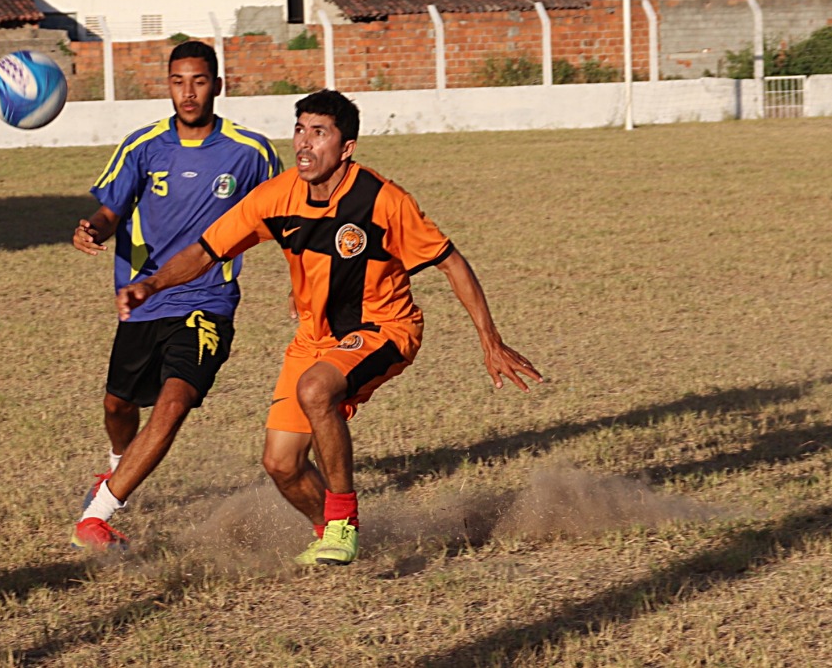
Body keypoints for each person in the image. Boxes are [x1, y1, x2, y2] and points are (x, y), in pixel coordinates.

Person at [116, 89, 541, 565]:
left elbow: (451, 262)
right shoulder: (278, 196)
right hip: (312, 339)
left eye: (320, 133)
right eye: (300, 129)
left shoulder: (382, 199)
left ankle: (343, 522)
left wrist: (490, 339)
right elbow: (207, 251)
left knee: (317, 390)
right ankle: (334, 537)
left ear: (346, 148)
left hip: (385, 329)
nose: (305, 143)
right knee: (281, 464)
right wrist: (151, 285)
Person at [70, 39, 282, 551]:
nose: (188, 93)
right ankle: (121, 467)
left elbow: (287, 214)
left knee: (173, 402)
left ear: (218, 85)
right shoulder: (143, 146)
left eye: (199, 81)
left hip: (208, 301)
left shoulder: (249, 152)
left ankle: (98, 516)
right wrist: (93, 230)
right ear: (167, 85)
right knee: (118, 406)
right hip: (143, 299)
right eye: (178, 81)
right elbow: (110, 211)